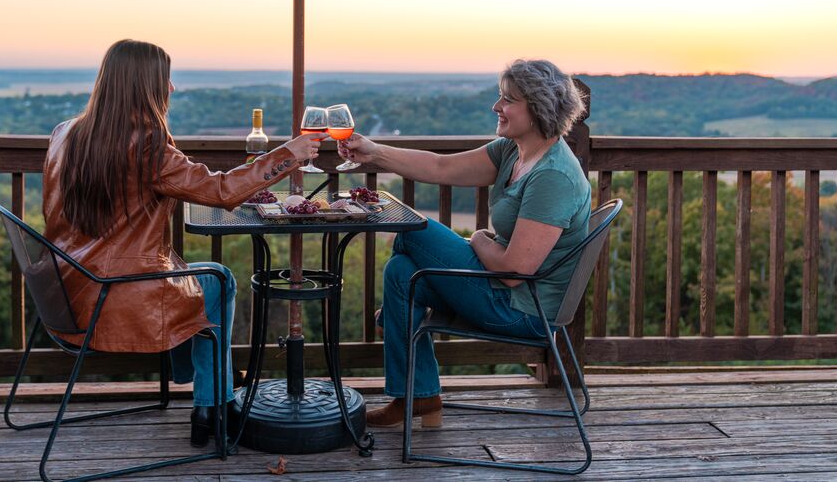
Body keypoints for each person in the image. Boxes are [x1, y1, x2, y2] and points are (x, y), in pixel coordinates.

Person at [42, 39, 324, 446]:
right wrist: (289, 154)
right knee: (219, 279)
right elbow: (223, 190)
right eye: (165, 79)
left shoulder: (64, 133)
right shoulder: (147, 148)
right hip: (112, 297)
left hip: (64, 290)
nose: (171, 88)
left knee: (189, 279)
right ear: (145, 86)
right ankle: (213, 404)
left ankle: (212, 387)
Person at [339, 59, 591, 429]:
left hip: (522, 309)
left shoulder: (553, 175)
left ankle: (399, 333)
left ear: (538, 109)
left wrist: (476, 237)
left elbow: (512, 271)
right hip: (495, 289)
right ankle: (417, 396)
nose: (496, 107)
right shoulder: (513, 151)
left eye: (508, 100)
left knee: (414, 230)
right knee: (400, 272)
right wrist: (375, 152)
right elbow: (442, 168)